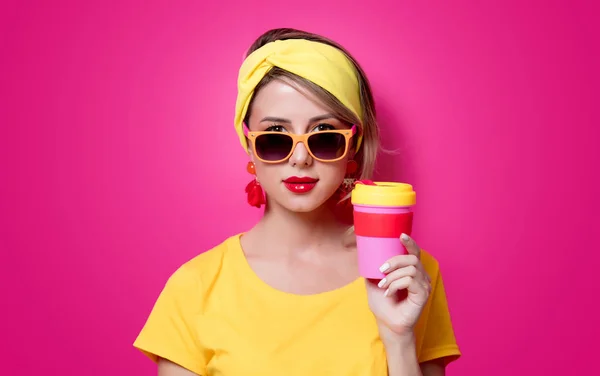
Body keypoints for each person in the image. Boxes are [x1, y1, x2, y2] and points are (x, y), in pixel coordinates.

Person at [133, 28, 461, 376]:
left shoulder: (406, 275)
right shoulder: (195, 286)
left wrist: (399, 338)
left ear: (352, 144)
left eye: (324, 137)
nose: (301, 158)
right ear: (249, 145)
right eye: (275, 138)